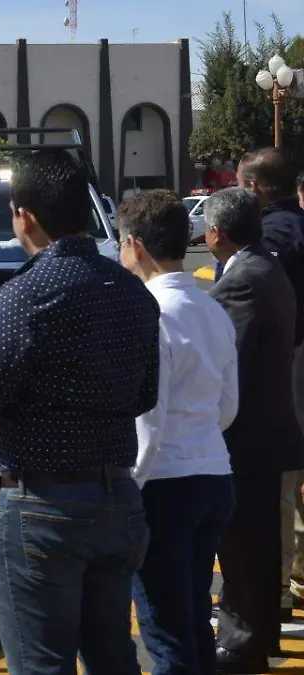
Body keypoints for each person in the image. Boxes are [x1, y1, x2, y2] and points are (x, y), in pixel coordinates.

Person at [0, 149, 160, 675]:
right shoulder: (132, 291)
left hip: (44, 505)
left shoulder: (26, 293)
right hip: (119, 500)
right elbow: (145, 394)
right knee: (114, 655)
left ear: (25, 215)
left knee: (42, 663)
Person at [116, 190, 238, 675]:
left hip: (162, 483)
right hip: (213, 473)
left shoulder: (147, 312)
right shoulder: (212, 308)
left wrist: (130, 486)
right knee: (191, 621)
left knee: (166, 630)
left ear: (137, 245)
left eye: (123, 243)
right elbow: (228, 405)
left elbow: (147, 417)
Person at [205, 186, 304, 672]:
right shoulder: (266, 266)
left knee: (244, 550)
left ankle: (242, 642)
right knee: (260, 548)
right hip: (271, 435)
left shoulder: (241, 280)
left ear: (215, 233)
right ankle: (256, 636)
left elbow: (230, 368)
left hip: (246, 442)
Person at [234, 148, 304, 621]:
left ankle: (279, 584)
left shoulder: (271, 240)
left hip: (285, 368)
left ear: (255, 188)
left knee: (281, 485)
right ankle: (295, 576)